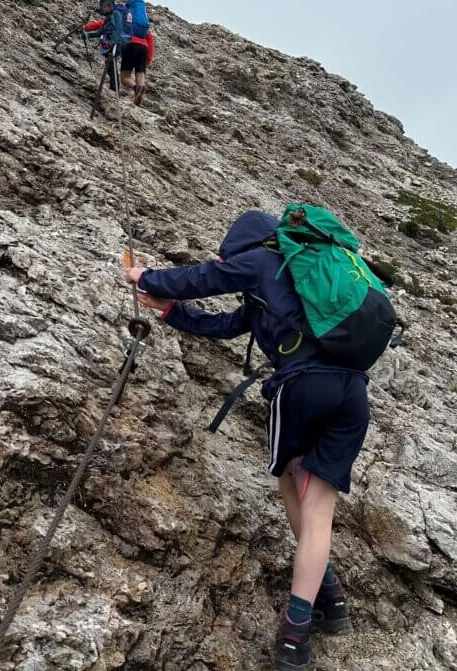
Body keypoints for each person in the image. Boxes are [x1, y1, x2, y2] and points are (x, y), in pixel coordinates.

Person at [123, 210, 368, 671]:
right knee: (321, 506)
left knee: (297, 490)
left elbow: (203, 277)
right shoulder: (287, 292)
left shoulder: (261, 262)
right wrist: (172, 311)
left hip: (301, 388)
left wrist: (145, 276)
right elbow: (221, 325)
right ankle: (330, 603)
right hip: (353, 394)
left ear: (244, 246)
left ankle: (296, 637)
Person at [83, 0, 125, 91]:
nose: (106, 8)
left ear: (113, 5)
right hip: (109, 45)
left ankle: (115, 90)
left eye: (108, 6)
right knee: (110, 67)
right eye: (104, 6)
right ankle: (113, 89)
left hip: (113, 45)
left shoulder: (116, 14)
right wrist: (88, 35)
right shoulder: (108, 18)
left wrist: (112, 43)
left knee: (111, 67)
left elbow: (118, 29)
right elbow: (101, 31)